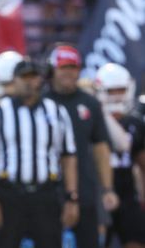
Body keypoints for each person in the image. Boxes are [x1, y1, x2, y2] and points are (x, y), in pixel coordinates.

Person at [0, 61, 79, 248]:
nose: (28, 82)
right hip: (10, 195)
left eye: (33, 77)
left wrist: (71, 197)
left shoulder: (57, 111)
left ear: (40, 80)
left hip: (46, 194)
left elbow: (68, 157)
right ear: (15, 80)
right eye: (24, 77)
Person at [45, 44, 119, 248]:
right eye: (64, 67)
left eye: (73, 67)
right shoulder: (41, 101)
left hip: (85, 189)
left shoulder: (90, 103)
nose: (69, 73)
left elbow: (101, 150)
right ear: (53, 70)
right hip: (47, 192)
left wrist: (108, 188)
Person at [94, 63, 145, 248]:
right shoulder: (91, 119)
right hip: (97, 193)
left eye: (120, 90)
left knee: (136, 240)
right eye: (111, 90)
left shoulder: (135, 122)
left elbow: (141, 162)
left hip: (127, 194)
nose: (116, 96)